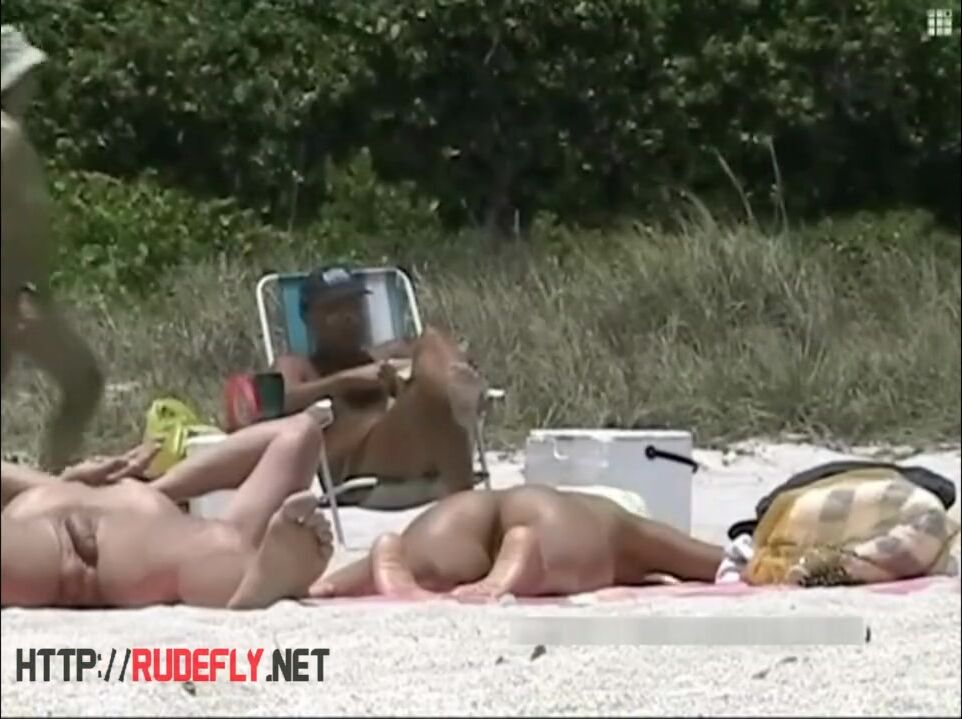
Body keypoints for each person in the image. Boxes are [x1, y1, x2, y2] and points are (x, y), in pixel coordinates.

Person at [1, 408, 334, 610]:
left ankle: (254, 581)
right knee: (218, 541)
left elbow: (298, 433)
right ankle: (249, 577)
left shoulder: (147, 503)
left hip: (103, 547)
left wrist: (162, 486)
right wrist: (64, 481)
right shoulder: (135, 500)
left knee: (220, 540)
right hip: (36, 538)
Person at [266, 265, 488, 510]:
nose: (349, 316)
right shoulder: (297, 365)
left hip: (419, 445)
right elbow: (278, 399)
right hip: (356, 464)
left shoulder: (387, 353)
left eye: (355, 306)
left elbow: (441, 355)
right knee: (434, 388)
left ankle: (453, 395)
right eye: (334, 309)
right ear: (309, 319)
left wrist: (401, 378)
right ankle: (457, 402)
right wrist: (344, 382)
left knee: (432, 341)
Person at [309, 484, 724, 601]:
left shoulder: (601, 509)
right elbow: (712, 561)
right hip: (548, 516)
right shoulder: (616, 521)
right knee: (550, 552)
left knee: (420, 554)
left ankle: (369, 565)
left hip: (465, 507)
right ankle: (517, 564)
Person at [1, 25, 104, 472]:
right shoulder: (6, 136)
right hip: (14, 292)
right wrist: (24, 290)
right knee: (84, 382)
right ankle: (51, 481)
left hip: (15, 290)